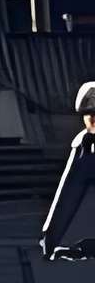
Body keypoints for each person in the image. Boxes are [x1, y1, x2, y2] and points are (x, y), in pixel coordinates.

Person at [42, 81, 95, 258]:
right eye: (89, 116)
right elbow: (68, 194)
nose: (92, 122)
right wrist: (51, 238)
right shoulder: (84, 144)